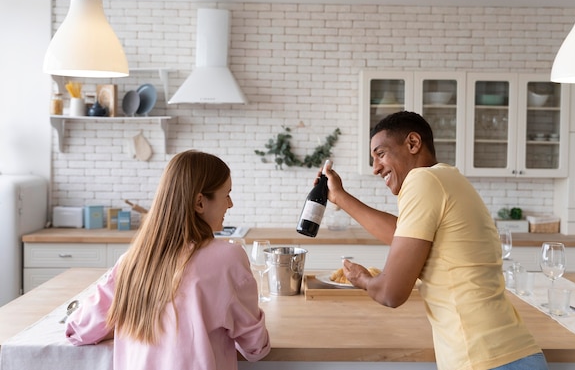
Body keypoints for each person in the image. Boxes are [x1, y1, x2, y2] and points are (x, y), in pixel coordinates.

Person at [323, 111, 548, 370]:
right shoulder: (447, 178)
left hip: (483, 360)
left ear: (413, 143)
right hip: (512, 352)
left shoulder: (422, 180)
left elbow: (390, 294)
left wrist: (362, 279)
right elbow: (402, 233)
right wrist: (339, 196)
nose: (375, 168)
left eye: (380, 154)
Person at [65, 150, 270, 370]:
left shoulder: (130, 262)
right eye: (226, 194)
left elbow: (77, 331)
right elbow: (255, 347)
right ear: (200, 203)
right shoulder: (229, 258)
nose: (230, 204)